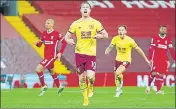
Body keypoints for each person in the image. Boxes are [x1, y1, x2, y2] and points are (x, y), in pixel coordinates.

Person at [64, 2, 108, 106]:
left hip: (91, 54)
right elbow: (67, 36)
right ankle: (85, 99)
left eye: (87, 7)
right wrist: (68, 40)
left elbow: (105, 34)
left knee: (90, 77)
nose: (85, 9)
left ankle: (91, 86)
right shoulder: (75, 23)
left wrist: (100, 36)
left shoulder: (96, 23)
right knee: (82, 78)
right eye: (83, 7)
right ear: (80, 10)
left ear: (90, 10)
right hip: (79, 54)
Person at [105, 25, 150, 97]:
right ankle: (119, 90)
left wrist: (146, 59)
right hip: (117, 60)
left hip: (126, 60)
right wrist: (107, 50)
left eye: (122, 30)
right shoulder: (115, 38)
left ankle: (119, 87)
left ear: (125, 31)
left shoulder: (130, 40)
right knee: (117, 75)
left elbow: (138, 49)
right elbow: (111, 46)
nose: (120, 31)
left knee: (117, 72)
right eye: (119, 30)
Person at [35, 19, 67, 96]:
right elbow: (40, 45)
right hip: (46, 56)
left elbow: (64, 42)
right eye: (46, 23)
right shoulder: (43, 33)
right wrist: (37, 43)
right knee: (52, 71)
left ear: (52, 24)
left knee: (38, 69)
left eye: (48, 23)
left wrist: (60, 53)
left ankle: (43, 85)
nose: (46, 24)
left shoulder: (56, 34)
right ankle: (59, 86)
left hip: (52, 56)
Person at [146, 25, 175, 94]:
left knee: (161, 74)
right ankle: (149, 86)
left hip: (164, 59)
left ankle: (158, 90)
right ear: (160, 30)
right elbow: (151, 49)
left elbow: (171, 50)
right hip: (156, 58)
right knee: (154, 73)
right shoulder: (155, 38)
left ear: (166, 31)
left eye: (165, 29)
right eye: (162, 29)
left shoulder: (168, 39)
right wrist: (150, 58)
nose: (163, 30)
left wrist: (174, 58)